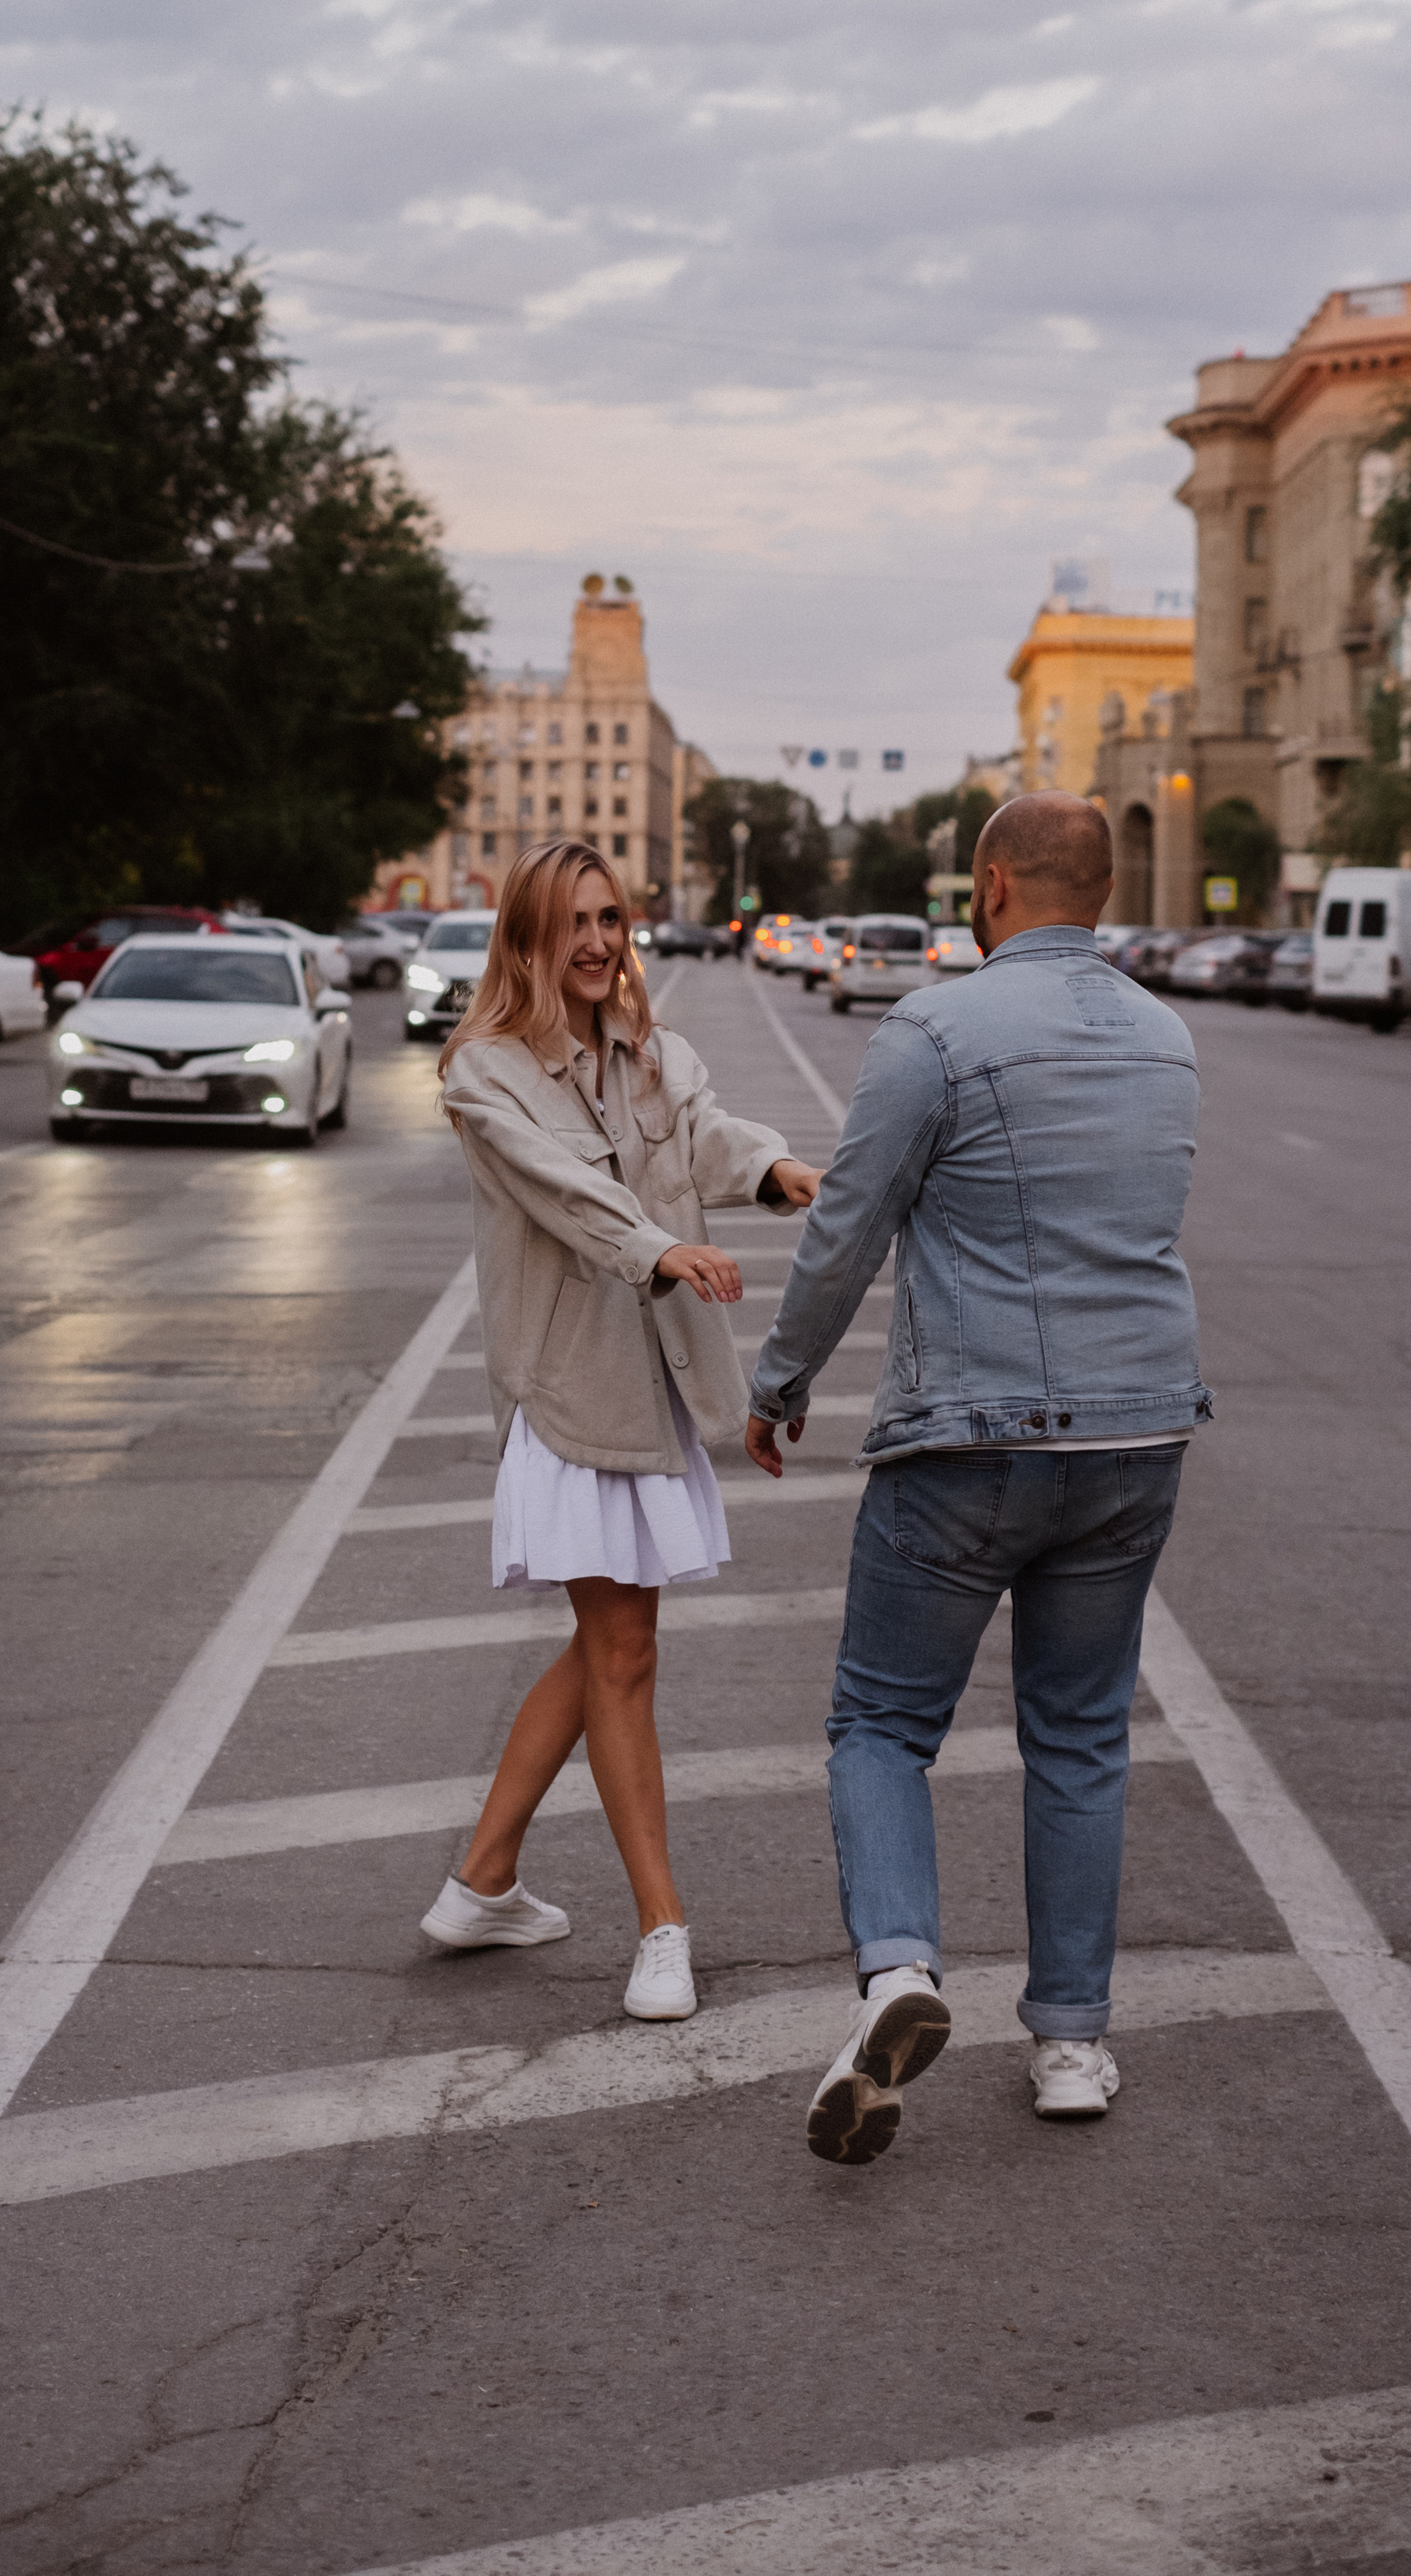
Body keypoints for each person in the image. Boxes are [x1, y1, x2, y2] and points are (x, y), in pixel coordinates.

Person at [746, 791, 1211, 2161]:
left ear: (992, 885)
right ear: (1104, 893)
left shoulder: (936, 1032)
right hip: (1137, 1441)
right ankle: (1070, 2041)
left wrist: (779, 1381)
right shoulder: (1170, 1040)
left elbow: (846, 1231)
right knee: (1080, 1738)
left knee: (883, 1725)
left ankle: (898, 1975)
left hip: (971, 1440)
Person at [422, 837, 823, 2023]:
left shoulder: (655, 1052)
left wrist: (778, 1169)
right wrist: (659, 1247)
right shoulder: (483, 1072)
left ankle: (484, 1877)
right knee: (625, 1651)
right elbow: (562, 1187)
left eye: (611, 919)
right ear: (528, 939)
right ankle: (662, 1928)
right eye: (572, 924)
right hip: (568, 1390)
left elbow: (702, 1135)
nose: (597, 943)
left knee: (609, 1644)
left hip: (649, 1385)